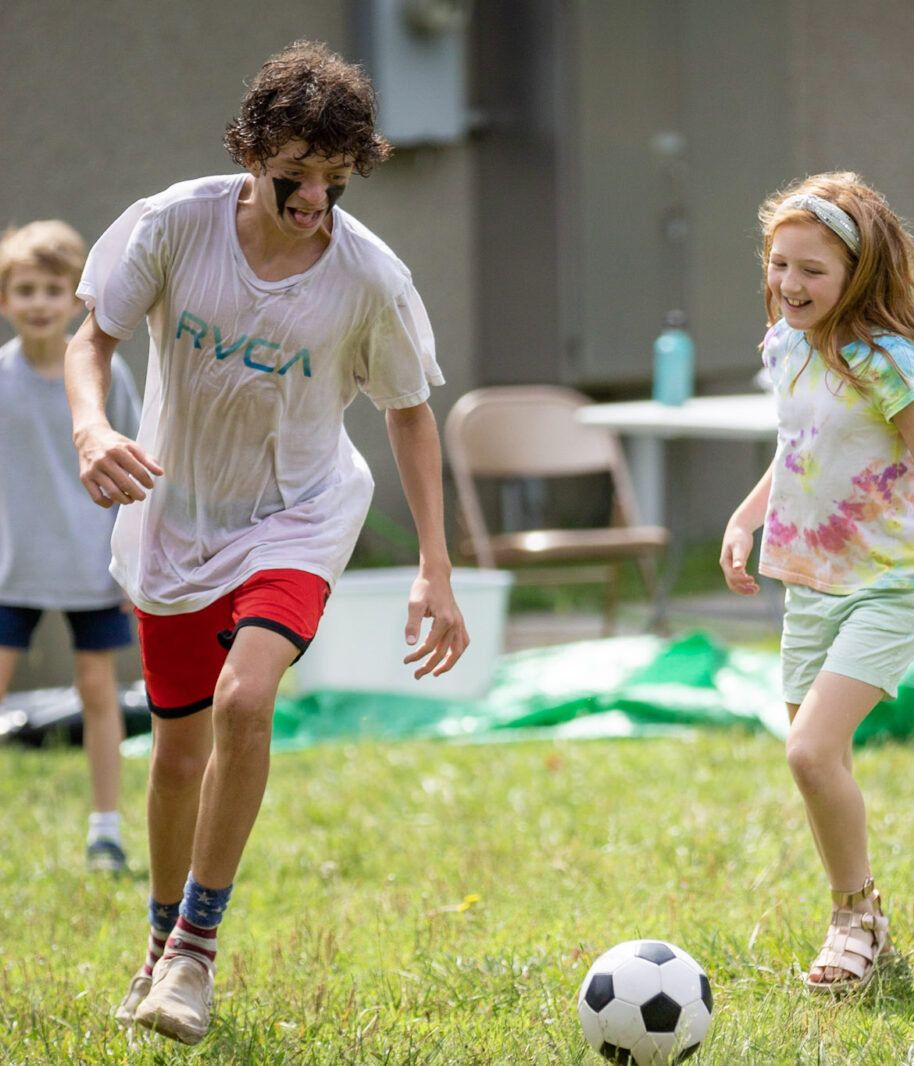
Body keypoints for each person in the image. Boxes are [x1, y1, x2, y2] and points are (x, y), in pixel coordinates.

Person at [65, 40, 470, 1044]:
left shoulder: (369, 277)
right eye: (295, 179)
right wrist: (92, 425)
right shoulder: (172, 224)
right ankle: (158, 946)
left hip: (298, 512)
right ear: (250, 153)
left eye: (334, 183)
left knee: (247, 697)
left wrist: (435, 566)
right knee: (176, 753)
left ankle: (196, 952)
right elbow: (92, 335)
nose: (314, 204)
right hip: (176, 515)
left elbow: (410, 411)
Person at [719, 173, 914, 992]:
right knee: (820, 762)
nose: (791, 284)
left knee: (809, 752)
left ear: (856, 272)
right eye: (780, 265)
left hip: (887, 590)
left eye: (812, 269)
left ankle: (855, 918)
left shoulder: (889, 362)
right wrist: (746, 519)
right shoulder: (783, 346)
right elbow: (799, 450)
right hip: (807, 587)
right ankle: (859, 915)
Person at [0, 220, 142, 874]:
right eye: (24, 288)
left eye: (52, 289)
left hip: (93, 567)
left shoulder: (106, 375)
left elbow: (142, 458)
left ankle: (105, 832)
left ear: (75, 298)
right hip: (11, 571)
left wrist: (133, 557)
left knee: (97, 692)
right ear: (5, 300)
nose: (37, 302)